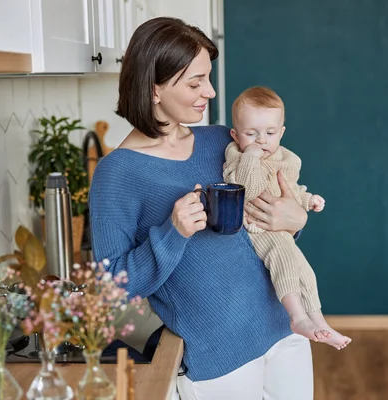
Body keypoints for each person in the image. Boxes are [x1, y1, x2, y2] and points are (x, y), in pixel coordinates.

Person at [90, 17, 312, 399]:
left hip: (284, 329)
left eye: (207, 78)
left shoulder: (220, 141)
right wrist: (172, 232)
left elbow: (267, 218)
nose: (209, 91)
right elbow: (110, 290)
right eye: (195, 82)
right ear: (153, 88)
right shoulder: (117, 173)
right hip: (218, 361)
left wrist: (297, 219)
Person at [224, 86, 352, 350]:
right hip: (255, 228)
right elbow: (249, 189)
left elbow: (290, 189)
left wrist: (307, 200)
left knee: (304, 270)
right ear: (236, 135)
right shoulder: (237, 155)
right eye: (251, 134)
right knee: (282, 254)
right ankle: (297, 317)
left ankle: (319, 321)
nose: (261, 141)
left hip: (280, 230)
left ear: (281, 132)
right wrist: (250, 157)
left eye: (270, 133)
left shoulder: (288, 159)